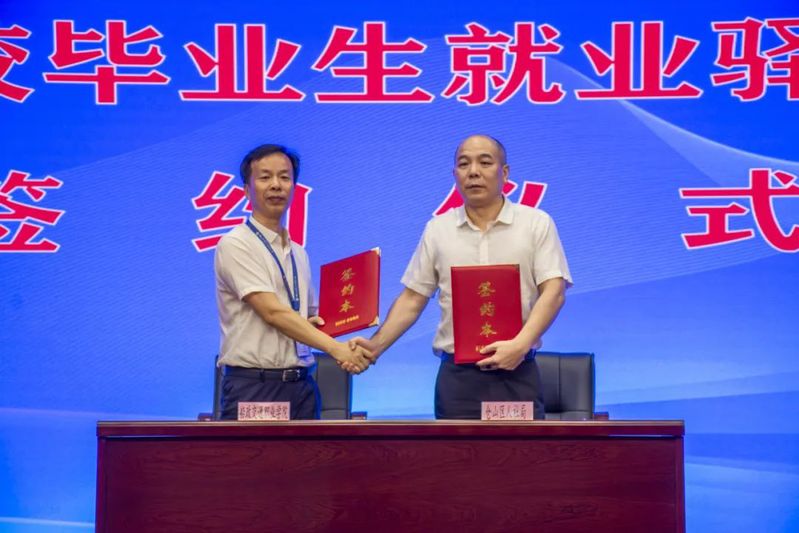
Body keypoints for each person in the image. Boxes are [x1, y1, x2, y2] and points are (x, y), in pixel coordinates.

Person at [350, 134, 572, 419]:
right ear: (454, 174)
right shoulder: (438, 229)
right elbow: (413, 299)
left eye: (485, 162)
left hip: (516, 373)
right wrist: (375, 346)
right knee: (455, 450)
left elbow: (554, 291)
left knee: (517, 450)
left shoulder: (536, 223)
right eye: (464, 164)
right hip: (457, 379)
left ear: (505, 173)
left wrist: (520, 345)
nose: (473, 172)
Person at [215, 144, 372, 420]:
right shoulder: (236, 244)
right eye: (265, 177)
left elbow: (305, 317)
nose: (276, 185)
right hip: (255, 388)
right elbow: (272, 312)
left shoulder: (298, 252)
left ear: (294, 187)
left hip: (302, 386)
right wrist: (336, 349)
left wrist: (342, 326)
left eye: (284, 177)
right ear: (247, 190)